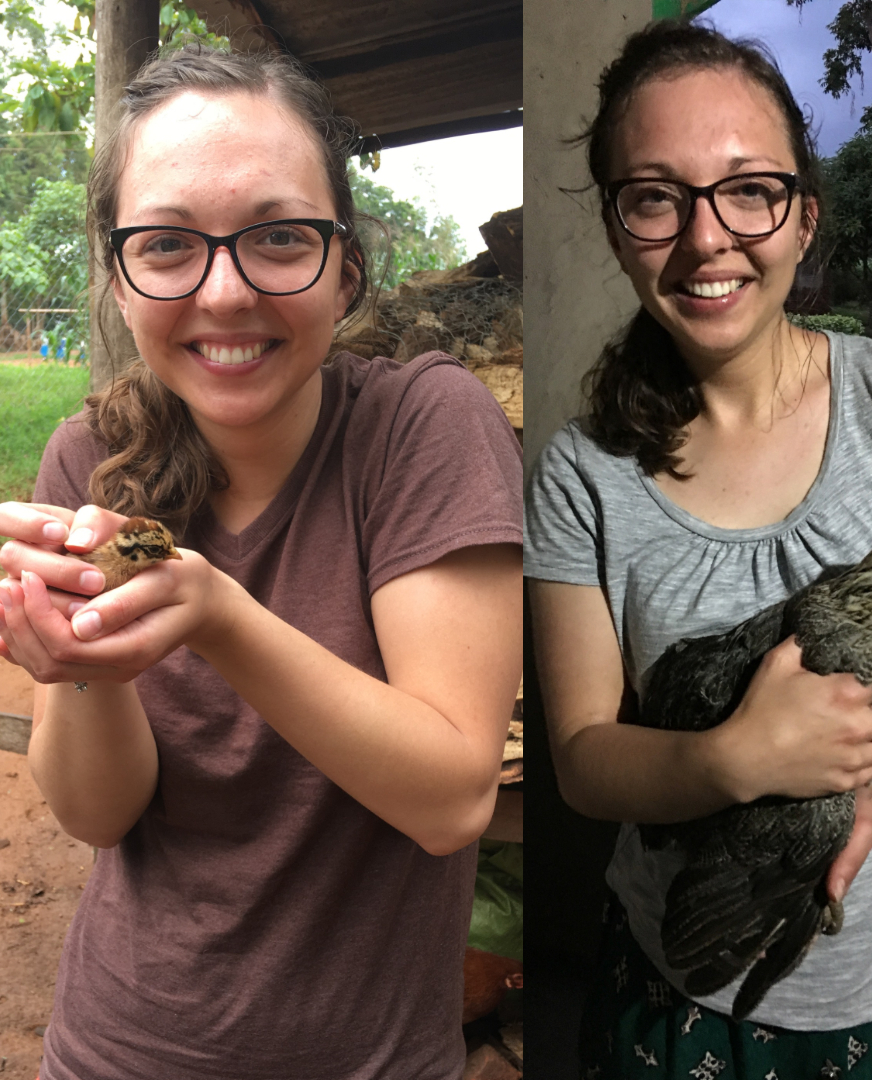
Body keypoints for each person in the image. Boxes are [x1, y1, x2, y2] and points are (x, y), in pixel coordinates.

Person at [525, 21, 872, 1078]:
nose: (705, 239)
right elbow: (585, 761)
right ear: (614, 224)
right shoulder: (579, 474)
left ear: (803, 215)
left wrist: (869, 792)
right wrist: (732, 761)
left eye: (748, 190)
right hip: (685, 975)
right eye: (655, 195)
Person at [0, 45, 522, 1080]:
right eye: (167, 246)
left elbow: (451, 798)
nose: (226, 292)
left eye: (279, 238)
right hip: (118, 1048)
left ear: (347, 264)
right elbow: (98, 815)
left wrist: (218, 615)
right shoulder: (88, 457)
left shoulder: (424, 425)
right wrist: (92, 665)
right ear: (117, 272)